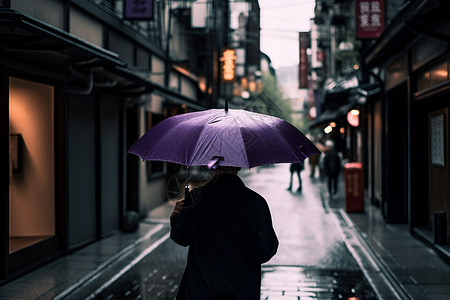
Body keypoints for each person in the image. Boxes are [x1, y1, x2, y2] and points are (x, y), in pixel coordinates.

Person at [170, 166, 279, 300]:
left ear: (212, 168)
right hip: (243, 288)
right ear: (238, 167)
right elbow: (267, 249)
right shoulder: (256, 202)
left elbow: (181, 237)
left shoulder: (195, 198)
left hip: (201, 287)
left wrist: (176, 214)